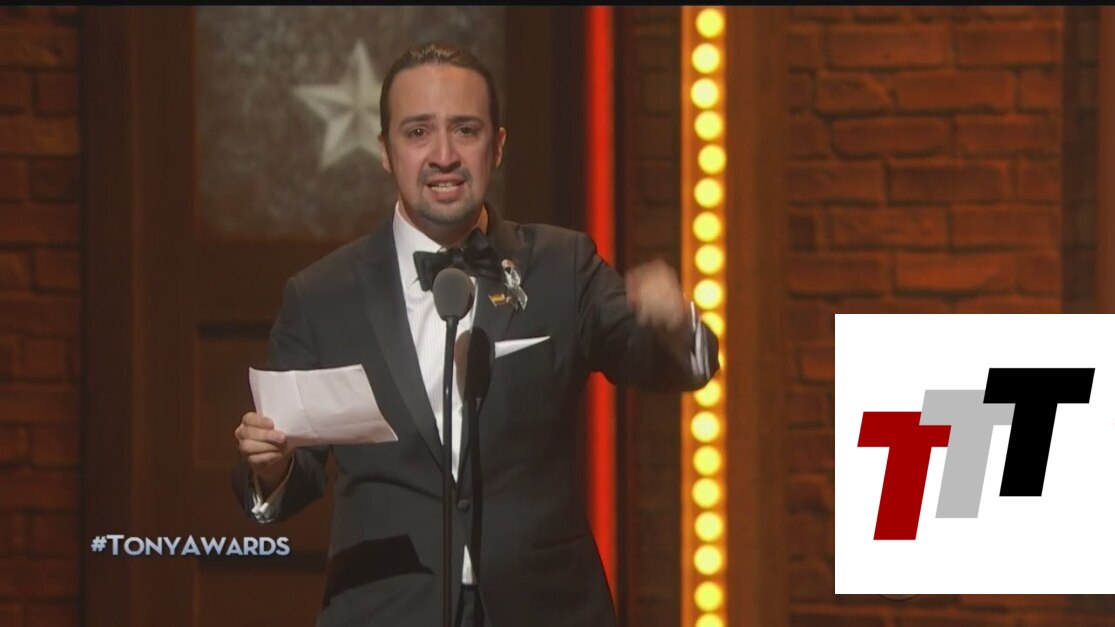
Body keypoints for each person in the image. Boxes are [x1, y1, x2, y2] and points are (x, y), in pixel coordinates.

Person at [232, 42, 720, 627]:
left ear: (499, 146)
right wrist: (272, 468)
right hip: (386, 610)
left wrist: (673, 323)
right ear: (385, 151)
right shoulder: (321, 296)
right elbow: (292, 477)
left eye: (465, 130)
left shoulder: (561, 266)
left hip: (545, 609)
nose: (444, 155)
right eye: (418, 133)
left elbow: (665, 363)